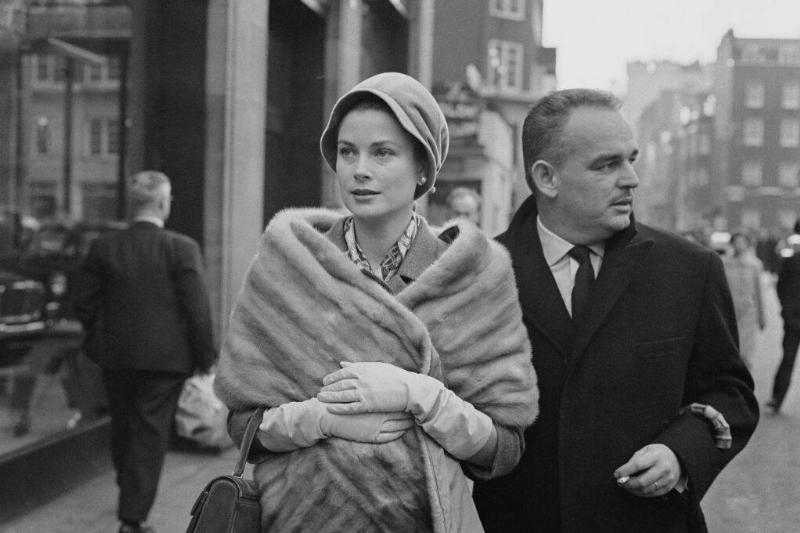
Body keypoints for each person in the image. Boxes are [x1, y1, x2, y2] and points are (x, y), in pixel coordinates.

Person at [214, 72, 538, 532]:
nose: (359, 169)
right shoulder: (289, 267)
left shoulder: (472, 278)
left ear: (423, 168)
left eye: (382, 152)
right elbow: (243, 425)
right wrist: (319, 418)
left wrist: (421, 395)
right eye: (348, 152)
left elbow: (504, 448)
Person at [471, 88, 759, 532]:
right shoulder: (480, 275)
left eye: (631, 159)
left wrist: (680, 453)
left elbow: (730, 394)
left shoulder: (689, 269)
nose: (632, 179)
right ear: (547, 178)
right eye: (607, 165)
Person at [74, 171, 217, 533]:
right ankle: (132, 518)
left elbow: (83, 304)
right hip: (166, 362)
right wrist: (206, 357)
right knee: (149, 435)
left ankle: (130, 493)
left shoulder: (103, 247)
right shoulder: (182, 248)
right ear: (163, 203)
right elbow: (197, 310)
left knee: (123, 427)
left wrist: (99, 343)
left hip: (116, 357)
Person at [767, 228, 800, 414]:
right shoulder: (792, 260)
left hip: (792, 318)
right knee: (788, 359)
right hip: (794, 319)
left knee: (787, 359)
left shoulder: (792, 260)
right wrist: (787, 310)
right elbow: (781, 286)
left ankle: (776, 398)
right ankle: (777, 398)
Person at [722, 232, 766, 369]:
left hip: (747, 314)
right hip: (728, 312)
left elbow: (759, 293)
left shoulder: (755, 265)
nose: (739, 245)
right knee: (729, 347)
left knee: (745, 350)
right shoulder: (724, 263)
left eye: (742, 242)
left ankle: (743, 376)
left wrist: (762, 317)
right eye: (736, 241)